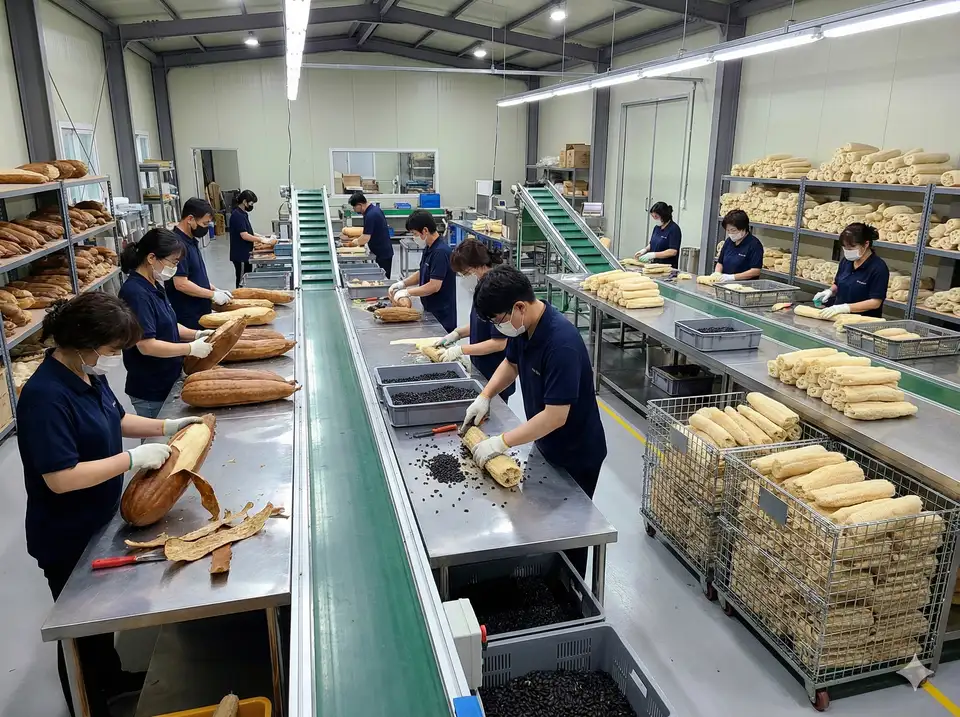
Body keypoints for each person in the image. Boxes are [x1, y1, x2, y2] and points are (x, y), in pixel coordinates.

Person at [16, 293, 204, 717]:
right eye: (111, 347)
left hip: (100, 517)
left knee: (101, 616)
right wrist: (131, 460)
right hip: (66, 530)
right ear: (84, 341)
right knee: (79, 628)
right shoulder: (44, 396)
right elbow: (60, 478)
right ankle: (88, 702)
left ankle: (113, 680)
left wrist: (167, 425)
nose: (114, 355)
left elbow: (117, 420)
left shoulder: (87, 375)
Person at [461, 265, 607, 576]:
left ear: (519, 307)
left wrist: (501, 442)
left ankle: (571, 585)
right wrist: (485, 395)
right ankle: (549, 572)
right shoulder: (526, 327)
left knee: (570, 531)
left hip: (576, 452)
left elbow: (555, 416)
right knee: (542, 524)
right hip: (546, 443)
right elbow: (511, 364)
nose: (499, 327)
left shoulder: (561, 343)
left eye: (498, 320)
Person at [118, 228, 215, 418]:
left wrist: (196, 334)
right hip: (151, 387)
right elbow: (146, 345)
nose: (175, 268)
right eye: (173, 262)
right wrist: (189, 349)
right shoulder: (136, 294)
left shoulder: (154, 285)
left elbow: (167, 323)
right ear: (151, 258)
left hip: (168, 377)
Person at [433, 239, 516, 401]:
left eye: (465, 273)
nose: (463, 278)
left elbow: (499, 343)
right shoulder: (481, 285)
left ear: (478, 266)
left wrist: (461, 350)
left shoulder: (496, 291)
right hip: (481, 368)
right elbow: (481, 323)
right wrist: (457, 334)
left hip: (496, 372)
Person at [166, 197, 232, 329]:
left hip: (200, 310)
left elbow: (194, 274)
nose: (206, 228)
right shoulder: (177, 245)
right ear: (190, 219)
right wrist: (212, 295)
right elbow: (181, 284)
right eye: (205, 223)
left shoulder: (190, 240)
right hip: (188, 315)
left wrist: (213, 288)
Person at [389, 210, 457, 332]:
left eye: (415, 233)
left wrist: (408, 292)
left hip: (441, 315)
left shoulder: (440, 252)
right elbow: (423, 272)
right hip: (430, 309)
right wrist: (402, 284)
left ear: (425, 230)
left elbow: (434, 286)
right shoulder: (429, 247)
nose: (414, 237)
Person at [815, 222, 890, 319]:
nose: (847, 251)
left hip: (862, 321)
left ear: (866, 244)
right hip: (839, 317)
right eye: (845, 248)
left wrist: (846, 308)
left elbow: (875, 302)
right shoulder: (846, 261)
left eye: (852, 248)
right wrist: (829, 291)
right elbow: (838, 283)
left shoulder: (878, 268)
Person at [342, 191, 393, 277]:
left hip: (382, 253)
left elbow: (365, 238)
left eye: (354, 207)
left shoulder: (370, 215)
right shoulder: (374, 210)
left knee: (382, 279)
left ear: (359, 205)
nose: (354, 210)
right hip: (381, 250)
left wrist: (353, 243)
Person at [229, 190, 273, 288]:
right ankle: (240, 296)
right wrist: (261, 240)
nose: (251, 206)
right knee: (242, 280)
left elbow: (248, 231)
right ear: (244, 202)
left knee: (247, 278)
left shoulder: (243, 214)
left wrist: (261, 236)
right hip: (240, 255)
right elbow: (244, 235)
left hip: (246, 253)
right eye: (251, 203)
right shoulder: (237, 215)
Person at [715, 209, 763, 281]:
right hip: (725, 283)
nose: (730, 233)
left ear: (743, 228)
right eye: (728, 230)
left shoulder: (754, 244)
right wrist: (717, 274)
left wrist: (732, 277)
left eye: (733, 230)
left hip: (745, 284)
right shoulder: (728, 241)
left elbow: (756, 271)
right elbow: (720, 263)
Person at [635, 201, 681, 268]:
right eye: (653, 216)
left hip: (667, 267)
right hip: (654, 265)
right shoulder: (657, 228)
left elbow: (673, 251)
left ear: (664, 215)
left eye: (656, 216)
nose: (655, 219)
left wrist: (653, 255)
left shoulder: (674, 229)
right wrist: (644, 250)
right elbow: (652, 243)